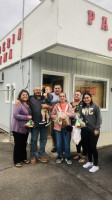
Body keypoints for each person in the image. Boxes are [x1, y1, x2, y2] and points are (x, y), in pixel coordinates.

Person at [30, 86, 52, 164]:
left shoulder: (45, 98)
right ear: (34, 91)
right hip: (35, 124)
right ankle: (33, 156)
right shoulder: (31, 98)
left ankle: (41, 155)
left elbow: (52, 107)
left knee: (43, 140)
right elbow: (22, 100)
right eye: (36, 90)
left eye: (39, 90)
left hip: (45, 124)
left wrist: (47, 106)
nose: (38, 91)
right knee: (34, 140)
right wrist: (17, 100)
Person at [81, 92, 102, 173]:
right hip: (85, 130)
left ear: (90, 97)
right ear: (83, 99)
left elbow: (99, 119)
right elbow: (81, 117)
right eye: (85, 98)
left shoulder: (95, 106)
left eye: (87, 97)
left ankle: (96, 165)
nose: (86, 99)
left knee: (93, 147)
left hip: (94, 130)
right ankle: (90, 162)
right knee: (87, 147)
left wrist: (97, 128)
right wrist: (79, 123)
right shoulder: (82, 107)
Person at [51, 92, 74, 164]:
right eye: (60, 96)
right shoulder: (56, 106)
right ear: (59, 98)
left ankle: (67, 157)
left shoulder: (69, 105)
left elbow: (72, 114)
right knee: (59, 143)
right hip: (58, 128)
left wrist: (65, 114)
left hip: (67, 127)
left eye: (63, 96)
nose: (62, 97)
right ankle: (60, 156)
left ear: (65, 97)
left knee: (67, 143)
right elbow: (52, 115)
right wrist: (58, 116)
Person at [11, 89, 32, 167]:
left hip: (25, 128)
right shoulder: (18, 104)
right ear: (20, 96)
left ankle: (23, 158)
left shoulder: (28, 104)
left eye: (26, 95)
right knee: (18, 145)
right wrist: (27, 117)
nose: (25, 96)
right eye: (23, 95)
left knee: (23, 144)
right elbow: (15, 115)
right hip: (17, 128)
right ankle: (16, 161)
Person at [71, 90, 86, 163]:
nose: (76, 95)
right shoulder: (70, 104)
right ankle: (78, 153)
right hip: (74, 125)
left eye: (78, 94)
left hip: (82, 125)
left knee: (83, 140)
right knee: (77, 139)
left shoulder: (83, 103)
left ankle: (83, 156)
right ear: (73, 96)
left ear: (80, 96)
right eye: (75, 94)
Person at [51, 83, 62, 153]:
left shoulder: (63, 95)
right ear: (53, 89)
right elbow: (46, 103)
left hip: (62, 118)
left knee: (62, 132)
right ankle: (55, 146)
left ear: (61, 89)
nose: (57, 89)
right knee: (53, 133)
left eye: (58, 88)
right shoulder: (50, 95)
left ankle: (61, 146)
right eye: (56, 88)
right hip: (53, 117)